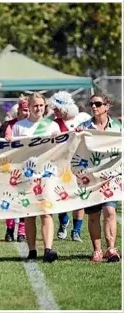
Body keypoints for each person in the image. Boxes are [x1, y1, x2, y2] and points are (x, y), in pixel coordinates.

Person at [9, 93, 59, 263]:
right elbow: (13, 151)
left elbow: (61, 146)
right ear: (28, 107)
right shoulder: (19, 126)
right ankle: (31, 250)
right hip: (26, 173)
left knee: (46, 212)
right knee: (29, 213)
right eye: (35, 105)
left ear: (45, 107)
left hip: (46, 173)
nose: (38, 109)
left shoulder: (52, 126)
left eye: (41, 105)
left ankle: (48, 249)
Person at [76, 94, 121, 263]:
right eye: (91, 104)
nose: (94, 107)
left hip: (112, 176)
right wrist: (76, 135)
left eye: (98, 104)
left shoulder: (118, 127)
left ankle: (111, 248)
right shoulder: (84, 126)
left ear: (107, 106)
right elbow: (72, 144)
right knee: (93, 214)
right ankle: (97, 250)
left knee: (110, 211)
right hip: (91, 177)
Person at [48, 91, 91, 242]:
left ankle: (76, 230)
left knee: (79, 197)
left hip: (81, 163)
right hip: (62, 165)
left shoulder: (84, 118)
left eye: (57, 109)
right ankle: (63, 222)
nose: (55, 112)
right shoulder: (55, 123)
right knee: (63, 195)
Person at [0, 96, 30, 242]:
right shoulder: (8, 125)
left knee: (24, 199)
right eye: (24, 110)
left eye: (29, 110)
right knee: (9, 198)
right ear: (18, 111)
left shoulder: (33, 125)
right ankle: (10, 229)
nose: (27, 113)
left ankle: (22, 231)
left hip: (27, 167)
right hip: (10, 168)